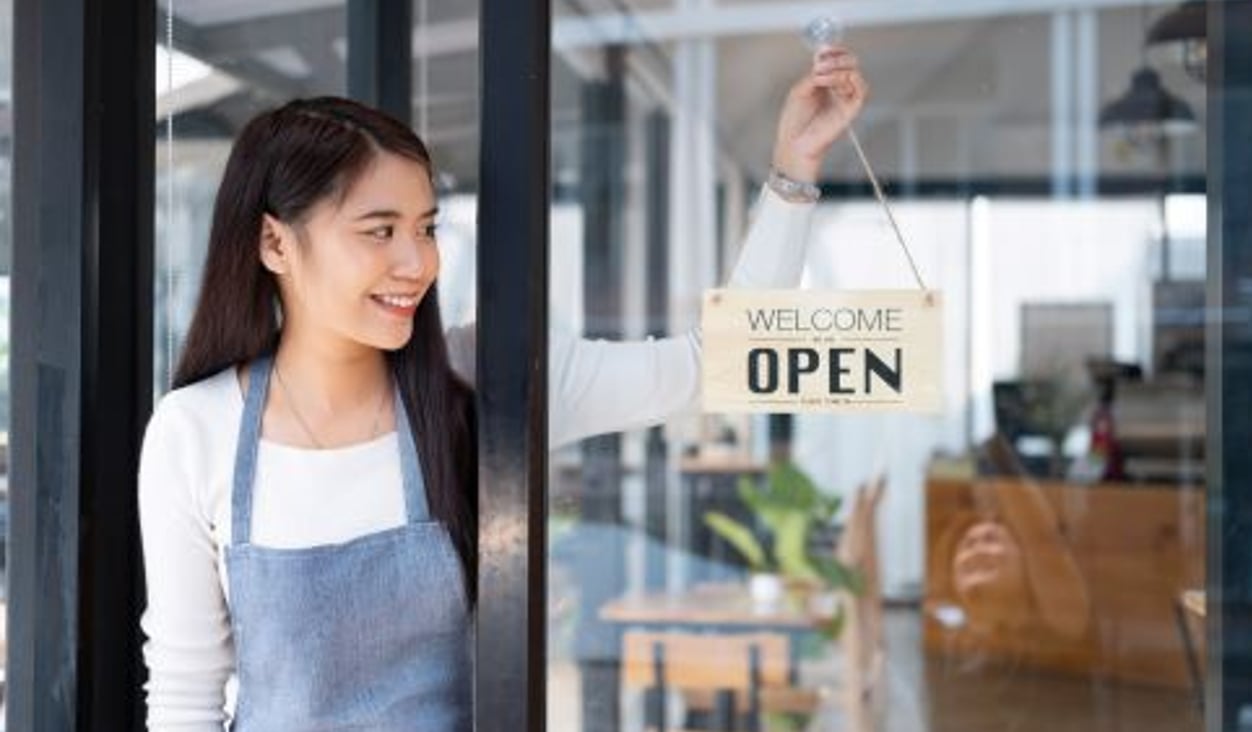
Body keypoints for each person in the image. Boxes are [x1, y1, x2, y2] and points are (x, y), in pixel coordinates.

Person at [138, 47, 868, 730]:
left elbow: (720, 365)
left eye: (425, 227)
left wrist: (792, 175)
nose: (417, 262)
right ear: (274, 244)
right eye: (379, 230)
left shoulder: (484, 380)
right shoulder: (194, 430)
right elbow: (184, 693)